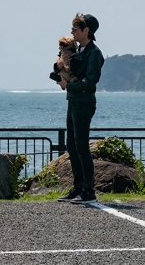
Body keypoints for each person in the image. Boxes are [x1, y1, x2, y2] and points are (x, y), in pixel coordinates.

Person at [57, 13, 104, 204]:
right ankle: (78, 187)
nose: (72, 32)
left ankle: (88, 190)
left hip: (84, 103)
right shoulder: (78, 51)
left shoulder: (94, 53)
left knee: (82, 146)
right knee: (72, 145)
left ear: (87, 31)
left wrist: (68, 85)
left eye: (75, 29)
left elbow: (90, 82)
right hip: (73, 101)